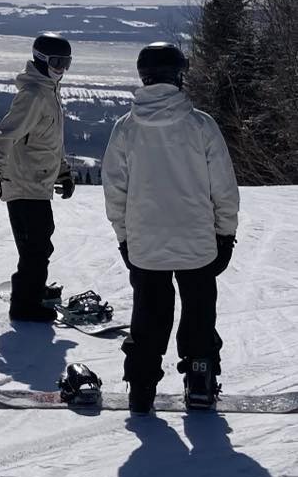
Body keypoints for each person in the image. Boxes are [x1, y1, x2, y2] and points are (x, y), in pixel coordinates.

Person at [102, 42, 240, 414]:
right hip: (198, 243)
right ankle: (200, 382)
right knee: (199, 313)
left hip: (146, 245)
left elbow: (114, 190)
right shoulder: (201, 125)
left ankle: (141, 388)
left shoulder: (126, 128)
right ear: (178, 75)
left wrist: (124, 237)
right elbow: (223, 187)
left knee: (149, 316)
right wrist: (226, 234)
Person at [0, 32, 75, 323]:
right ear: (42, 60)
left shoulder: (49, 92)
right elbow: (5, 135)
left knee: (38, 243)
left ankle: (33, 290)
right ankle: (25, 306)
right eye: (57, 62)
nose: (61, 69)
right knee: (37, 247)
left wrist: (62, 170)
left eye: (66, 63)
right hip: (24, 183)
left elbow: (48, 141)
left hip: (37, 181)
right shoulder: (33, 95)